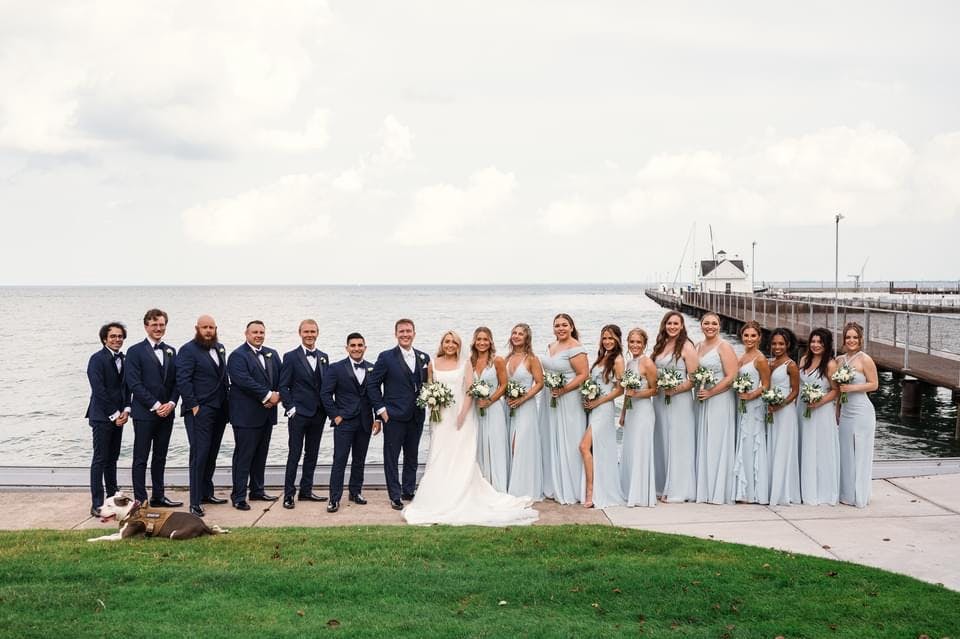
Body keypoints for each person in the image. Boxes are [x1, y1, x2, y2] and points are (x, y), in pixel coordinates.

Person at [403, 331, 538, 526]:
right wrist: (432, 404)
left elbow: (469, 390)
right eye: (447, 342)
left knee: (460, 455)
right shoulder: (433, 363)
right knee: (439, 454)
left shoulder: (465, 363)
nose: (450, 345)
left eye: (454, 342)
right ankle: (439, 494)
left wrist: (463, 414)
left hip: (461, 416)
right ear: (442, 344)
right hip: (440, 417)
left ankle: (461, 491)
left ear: (459, 345)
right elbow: (429, 387)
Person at [367, 318, 430, 510]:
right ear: (396, 334)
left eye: (408, 331)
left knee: (412, 455)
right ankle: (395, 495)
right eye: (401, 331)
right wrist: (381, 411)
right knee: (391, 457)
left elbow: (429, 385)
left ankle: (408, 490)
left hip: (417, 415)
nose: (405, 334)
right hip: (393, 416)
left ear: (414, 333)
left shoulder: (424, 357)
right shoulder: (386, 357)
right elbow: (372, 385)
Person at [124, 308, 181, 507]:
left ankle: (159, 496)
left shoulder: (172, 351)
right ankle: (141, 499)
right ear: (146, 326)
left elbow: (177, 382)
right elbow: (134, 383)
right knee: (141, 457)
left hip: (167, 414)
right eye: (154, 324)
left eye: (162, 324)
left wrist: (172, 403)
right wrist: (156, 405)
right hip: (144, 413)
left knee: (160, 457)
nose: (158, 328)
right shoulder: (134, 351)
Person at [175, 314, 230, 517]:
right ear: (197, 328)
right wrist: (193, 406)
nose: (208, 331)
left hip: (220, 410)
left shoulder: (219, 348)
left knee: (212, 454)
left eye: (212, 327)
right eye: (205, 327)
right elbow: (183, 380)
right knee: (199, 455)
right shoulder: (188, 350)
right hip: (200, 410)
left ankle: (207, 493)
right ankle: (195, 501)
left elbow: (222, 378)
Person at [320, 332, 379, 513]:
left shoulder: (372, 368)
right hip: (344, 421)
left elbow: (376, 395)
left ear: (365, 347)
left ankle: (355, 491)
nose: (356, 348)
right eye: (353, 345)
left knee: (359, 460)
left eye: (360, 345)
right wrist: (335, 416)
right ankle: (334, 498)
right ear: (347, 348)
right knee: (340, 460)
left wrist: (377, 418)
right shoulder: (336, 368)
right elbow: (325, 394)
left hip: (365, 422)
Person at [227, 320, 281, 510]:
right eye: (255, 332)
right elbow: (242, 380)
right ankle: (239, 495)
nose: (258, 335)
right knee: (244, 455)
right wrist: (267, 395)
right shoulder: (237, 356)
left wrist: (278, 396)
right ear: (246, 334)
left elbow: (280, 379)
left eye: (261, 332)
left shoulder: (272, 354)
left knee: (261, 454)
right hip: (246, 415)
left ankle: (257, 490)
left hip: (267, 414)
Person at [278, 319, 329, 509]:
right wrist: (290, 409)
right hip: (298, 414)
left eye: (313, 331)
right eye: (306, 331)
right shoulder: (290, 356)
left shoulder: (324, 356)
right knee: (294, 454)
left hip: (318, 414)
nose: (310, 334)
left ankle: (306, 491)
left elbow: (325, 386)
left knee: (312, 454)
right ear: (300, 333)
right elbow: (283, 385)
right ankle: (288, 495)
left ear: (318, 333)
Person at [540, 313, 590, 504]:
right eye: (557, 325)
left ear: (571, 327)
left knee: (569, 440)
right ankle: (554, 482)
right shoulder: (551, 346)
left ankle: (572, 487)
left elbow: (583, 375)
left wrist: (563, 390)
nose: (560, 328)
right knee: (553, 437)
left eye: (564, 325)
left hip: (569, 399)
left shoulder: (576, 348)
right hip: (550, 399)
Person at [651, 311, 698, 503]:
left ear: (682, 326)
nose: (672, 326)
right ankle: (662, 484)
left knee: (677, 441)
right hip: (661, 400)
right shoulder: (661, 345)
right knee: (662, 439)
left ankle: (678, 488)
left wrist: (675, 390)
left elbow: (694, 379)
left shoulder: (687, 347)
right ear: (664, 325)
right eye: (669, 323)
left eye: (676, 324)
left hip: (679, 400)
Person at [694, 312, 738, 505]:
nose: (710, 326)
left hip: (719, 399)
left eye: (714, 323)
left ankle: (719, 490)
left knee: (717, 441)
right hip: (702, 399)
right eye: (706, 323)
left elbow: (731, 376)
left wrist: (712, 393)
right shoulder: (697, 346)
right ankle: (704, 488)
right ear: (701, 325)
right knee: (705, 439)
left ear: (719, 326)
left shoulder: (724, 346)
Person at [85, 322, 129, 517]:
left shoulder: (125, 359)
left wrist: (126, 410)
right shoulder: (96, 359)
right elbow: (99, 390)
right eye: (113, 336)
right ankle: (96, 502)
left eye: (120, 336)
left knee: (113, 458)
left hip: (120, 416)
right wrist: (114, 415)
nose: (117, 339)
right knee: (100, 459)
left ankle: (112, 497)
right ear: (105, 339)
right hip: (102, 417)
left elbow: (128, 387)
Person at [579, 324, 625, 508]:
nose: (607, 341)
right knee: (595, 450)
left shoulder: (618, 360)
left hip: (604, 409)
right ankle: (596, 487)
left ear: (618, 340)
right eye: (604, 338)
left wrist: (598, 401)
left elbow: (621, 389)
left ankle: (591, 492)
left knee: (584, 446)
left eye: (611, 338)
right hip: (594, 408)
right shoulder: (602, 357)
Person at [837, 322, 879, 508]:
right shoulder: (839, 360)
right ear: (844, 339)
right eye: (848, 337)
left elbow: (874, 384)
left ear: (860, 339)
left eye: (855, 337)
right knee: (845, 452)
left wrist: (852, 387)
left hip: (862, 411)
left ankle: (860, 494)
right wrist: (837, 409)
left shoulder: (865, 360)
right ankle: (846, 493)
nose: (851, 340)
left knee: (861, 452)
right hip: (846, 411)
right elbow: (838, 389)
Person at [798, 328, 840, 506]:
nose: (815, 345)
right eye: (813, 341)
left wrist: (819, 402)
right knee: (804, 446)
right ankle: (803, 487)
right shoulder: (804, 360)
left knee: (819, 449)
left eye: (820, 342)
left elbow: (836, 390)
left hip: (821, 411)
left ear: (827, 345)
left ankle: (821, 491)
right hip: (802, 408)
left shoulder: (830, 365)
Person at [619, 328, 658, 507]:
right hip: (632, 411)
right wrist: (623, 413)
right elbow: (627, 391)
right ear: (627, 343)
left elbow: (654, 390)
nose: (635, 345)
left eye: (638, 343)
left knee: (641, 449)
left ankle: (641, 494)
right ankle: (628, 490)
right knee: (630, 449)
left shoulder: (647, 363)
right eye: (632, 342)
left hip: (643, 411)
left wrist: (637, 394)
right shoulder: (629, 364)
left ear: (644, 344)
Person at [732, 321, 771, 504]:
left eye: (753, 336)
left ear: (759, 337)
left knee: (751, 442)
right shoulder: (743, 356)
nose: (749, 339)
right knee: (743, 441)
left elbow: (766, 384)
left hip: (754, 407)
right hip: (743, 406)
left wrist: (751, 395)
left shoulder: (760, 359)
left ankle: (753, 491)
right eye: (746, 335)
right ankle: (742, 489)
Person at [504, 323, 544, 500]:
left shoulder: (532, 359)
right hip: (509, 407)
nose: (516, 336)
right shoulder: (506, 358)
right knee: (509, 444)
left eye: (520, 334)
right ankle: (512, 484)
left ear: (527, 338)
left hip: (526, 408)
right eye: (514, 333)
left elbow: (540, 383)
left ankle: (524, 488)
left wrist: (523, 398)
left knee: (520, 445)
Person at [470, 327, 510, 492]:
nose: (482, 342)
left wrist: (490, 400)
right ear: (474, 341)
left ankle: (498, 486)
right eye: (479, 339)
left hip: (494, 410)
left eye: (485, 339)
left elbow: (504, 384)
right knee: (478, 445)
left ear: (490, 341)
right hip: (475, 411)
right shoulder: (470, 362)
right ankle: (481, 485)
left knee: (495, 444)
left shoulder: (498, 361)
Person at [767, 328, 801, 506]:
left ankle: (783, 491)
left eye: (781, 343)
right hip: (771, 410)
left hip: (785, 411)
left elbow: (795, 391)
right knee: (772, 447)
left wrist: (780, 404)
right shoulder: (770, 363)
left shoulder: (791, 365)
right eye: (774, 343)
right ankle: (771, 487)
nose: (777, 347)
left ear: (788, 345)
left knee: (783, 447)